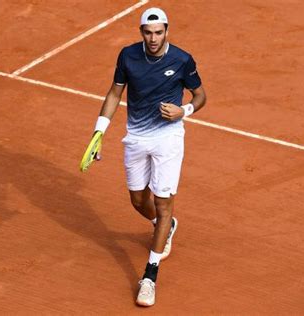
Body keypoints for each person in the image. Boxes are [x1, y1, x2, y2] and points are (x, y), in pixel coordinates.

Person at [91, 7, 206, 306]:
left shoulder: (182, 59)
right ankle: (165, 226)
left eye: (159, 32)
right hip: (137, 137)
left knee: (162, 202)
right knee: (137, 200)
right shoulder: (127, 56)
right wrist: (98, 132)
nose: (153, 38)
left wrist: (185, 111)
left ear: (167, 30)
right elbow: (115, 93)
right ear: (141, 32)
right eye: (148, 32)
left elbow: (200, 96)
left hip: (169, 138)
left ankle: (149, 276)